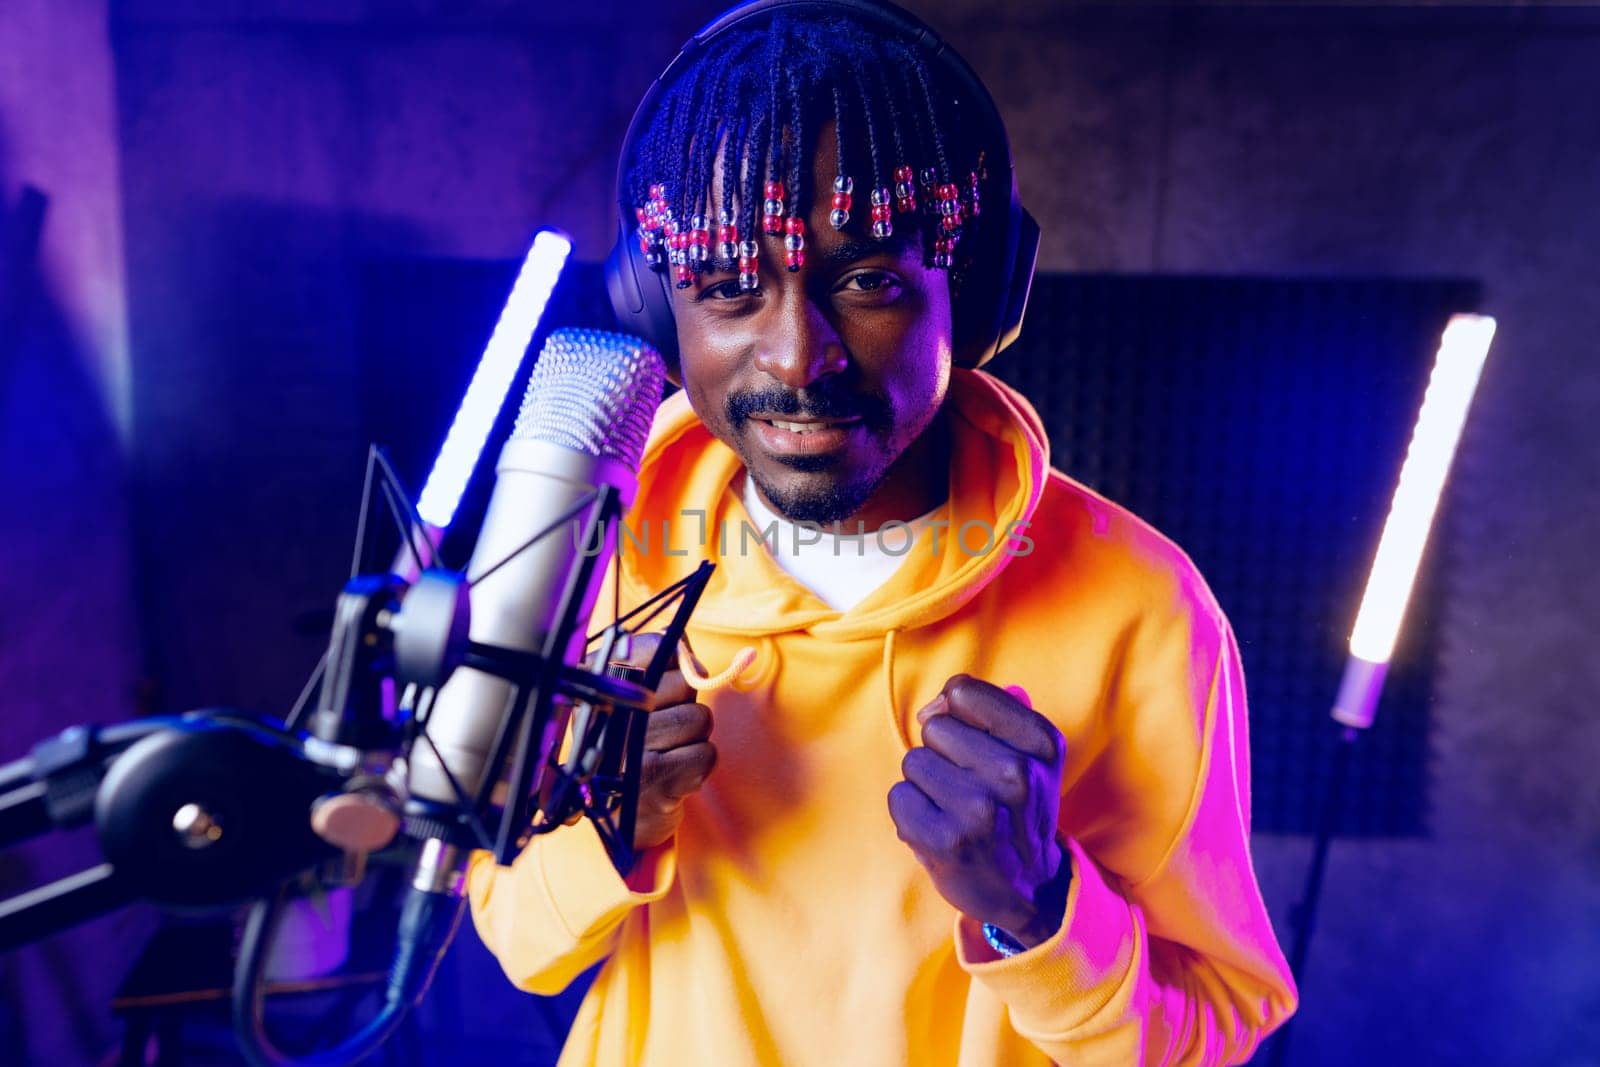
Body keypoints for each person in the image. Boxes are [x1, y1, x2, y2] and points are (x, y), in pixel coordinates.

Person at [467, 2, 1297, 1063]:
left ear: (979, 290)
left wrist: (1036, 910)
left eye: (867, 281)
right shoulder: (597, 550)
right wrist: (610, 831)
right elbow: (513, 932)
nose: (794, 355)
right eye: (727, 287)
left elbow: (1215, 1027)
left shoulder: (1137, 602)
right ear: (651, 305)